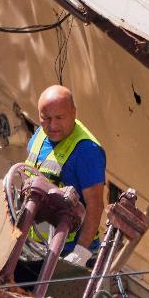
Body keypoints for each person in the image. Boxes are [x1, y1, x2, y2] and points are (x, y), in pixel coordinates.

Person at [25, 84, 107, 266]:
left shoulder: (87, 152)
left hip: (67, 251)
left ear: (74, 113)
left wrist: (80, 254)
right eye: (45, 118)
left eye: (59, 118)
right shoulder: (39, 135)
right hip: (36, 245)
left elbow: (95, 206)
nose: (52, 126)